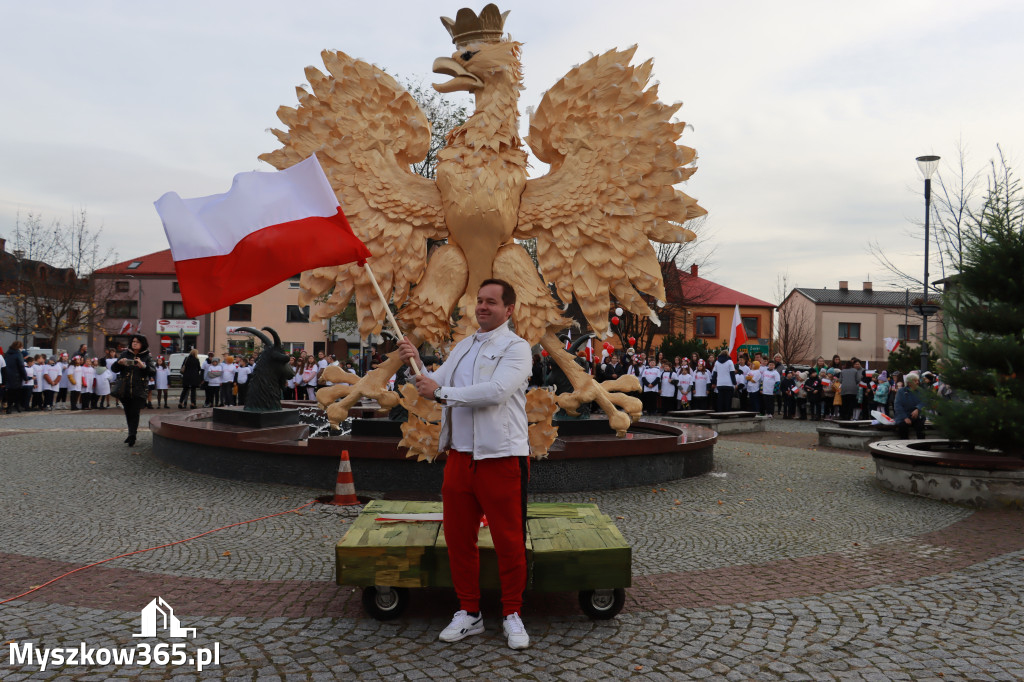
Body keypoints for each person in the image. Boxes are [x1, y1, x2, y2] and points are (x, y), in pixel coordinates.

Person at [397, 278, 532, 650]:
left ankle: (512, 614)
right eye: (480, 301)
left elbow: (496, 392)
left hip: (502, 458)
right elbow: (434, 382)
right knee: (459, 539)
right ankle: (469, 612)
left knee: (509, 541)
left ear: (509, 309)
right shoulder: (463, 346)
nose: (483, 307)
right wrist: (413, 360)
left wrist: (440, 392)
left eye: (492, 302)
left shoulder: (518, 348)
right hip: (459, 458)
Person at [112, 334, 156, 446]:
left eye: (137, 342)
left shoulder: (147, 356)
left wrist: (143, 366)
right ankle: (131, 433)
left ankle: (132, 435)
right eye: (133, 341)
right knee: (128, 412)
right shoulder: (125, 354)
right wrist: (119, 363)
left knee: (135, 412)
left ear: (142, 344)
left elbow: (153, 371)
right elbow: (114, 369)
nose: (134, 343)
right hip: (125, 388)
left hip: (139, 389)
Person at [894, 373, 926, 439]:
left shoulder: (921, 391)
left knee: (921, 428)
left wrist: (918, 409)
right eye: (915, 381)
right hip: (904, 416)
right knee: (902, 427)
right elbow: (898, 405)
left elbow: (924, 402)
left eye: (917, 380)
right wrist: (905, 417)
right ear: (909, 383)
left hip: (917, 416)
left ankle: (923, 446)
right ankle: (904, 446)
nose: (917, 382)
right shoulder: (901, 391)